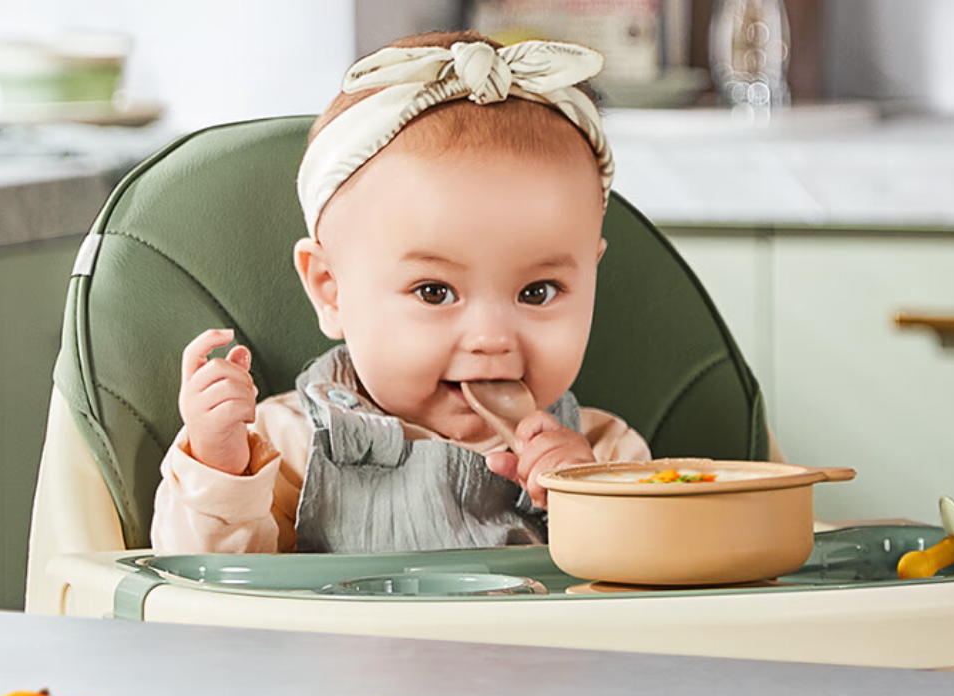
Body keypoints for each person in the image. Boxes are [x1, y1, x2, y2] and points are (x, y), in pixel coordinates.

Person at [151, 30, 651, 555]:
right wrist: (219, 464)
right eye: (434, 291)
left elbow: (660, 594)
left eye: (537, 292)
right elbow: (211, 596)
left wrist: (589, 499)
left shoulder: (607, 454)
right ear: (331, 290)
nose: (491, 337)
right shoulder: (283, 445)